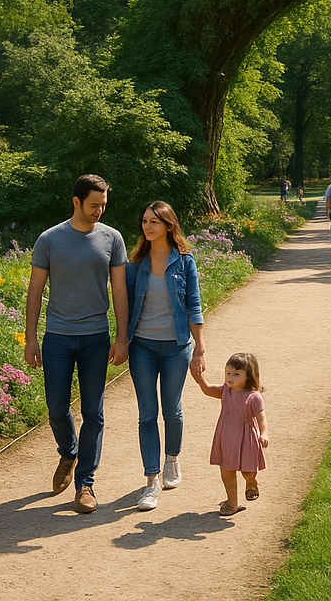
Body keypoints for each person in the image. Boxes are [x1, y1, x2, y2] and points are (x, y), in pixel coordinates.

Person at [25, 174, 128, 514]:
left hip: (96, 337)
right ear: (76, 202)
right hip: (57, 336)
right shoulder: (50, 239)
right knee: (56, 408)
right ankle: (68, 452)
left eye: (103, 205)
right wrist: (30, 338)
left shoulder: (112, 239)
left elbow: (119, 291)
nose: (99, 210)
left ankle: (85, 484)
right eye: (94, 204)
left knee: (94, 413)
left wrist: (121, 336)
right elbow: (36, 291)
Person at [125, 200, 206, 511]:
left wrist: (199, 348)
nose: (147, 226)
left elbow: (193, 306)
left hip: (176, 347)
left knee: (171, 410)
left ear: (168, 226)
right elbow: (126, 307)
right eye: (144, 221)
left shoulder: (185, 261)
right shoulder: (135, 265)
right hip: (142, 347)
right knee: (147, 413)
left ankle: (172, 459)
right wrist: (121, 340)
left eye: (153, 222)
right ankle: (151, 481)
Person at [196, 352, 269, 516]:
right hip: (226, 437)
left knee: (248, 470)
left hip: (246, 439)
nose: (230, 377)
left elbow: (261, 418)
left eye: (236, 374)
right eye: (228, 372)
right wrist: (199, 377)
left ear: (249, 376)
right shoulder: (225, 391)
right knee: (226, 470)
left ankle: (251, 482)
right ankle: (232, 502)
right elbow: (207, 389)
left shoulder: (254, 397)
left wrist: (264, 433)